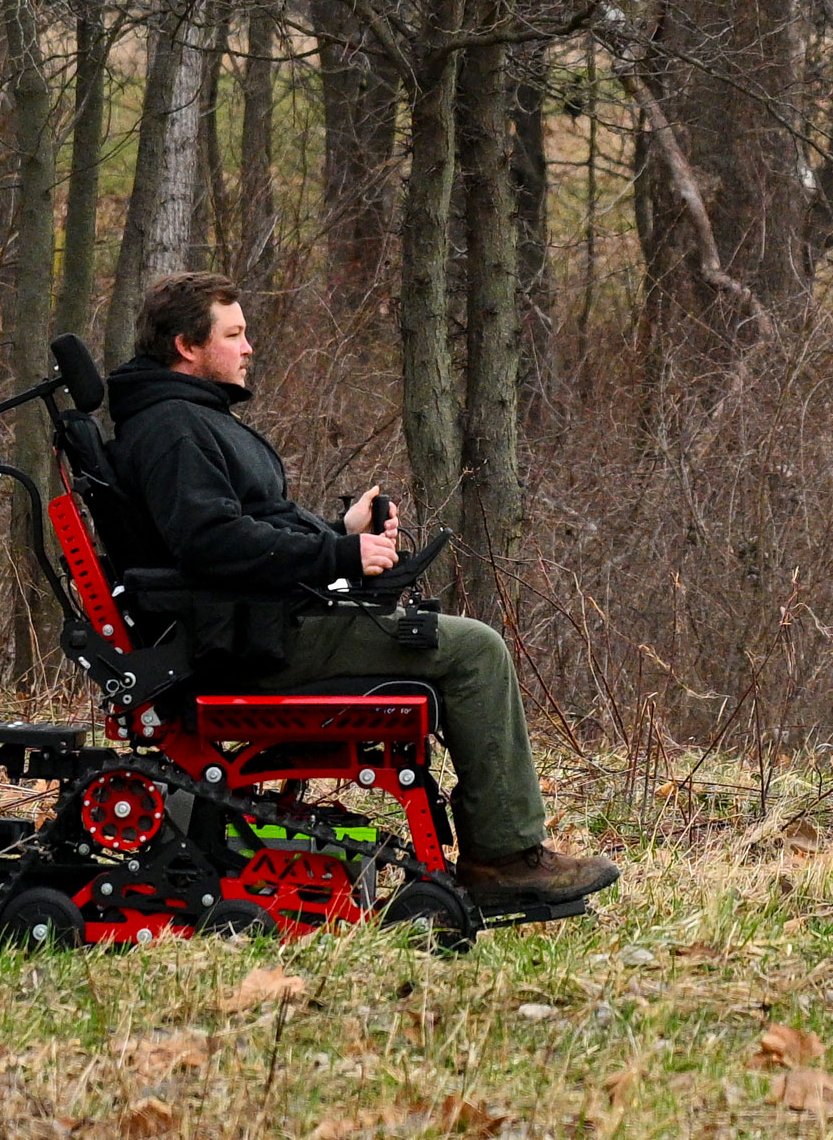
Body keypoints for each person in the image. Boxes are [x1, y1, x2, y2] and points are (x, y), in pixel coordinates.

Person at [106, 271, 619, 907]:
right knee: (475, 650)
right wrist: (339, 553)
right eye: (234, 334)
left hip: (259, 624)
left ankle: (502, 850)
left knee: (458, 642)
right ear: (187, 345)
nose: (248, 347)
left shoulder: (185, 420)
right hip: (249, 644)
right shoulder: (174, 428)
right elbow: (210, 541)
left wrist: (338, 531)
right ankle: (504, 858)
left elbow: (247, 529)